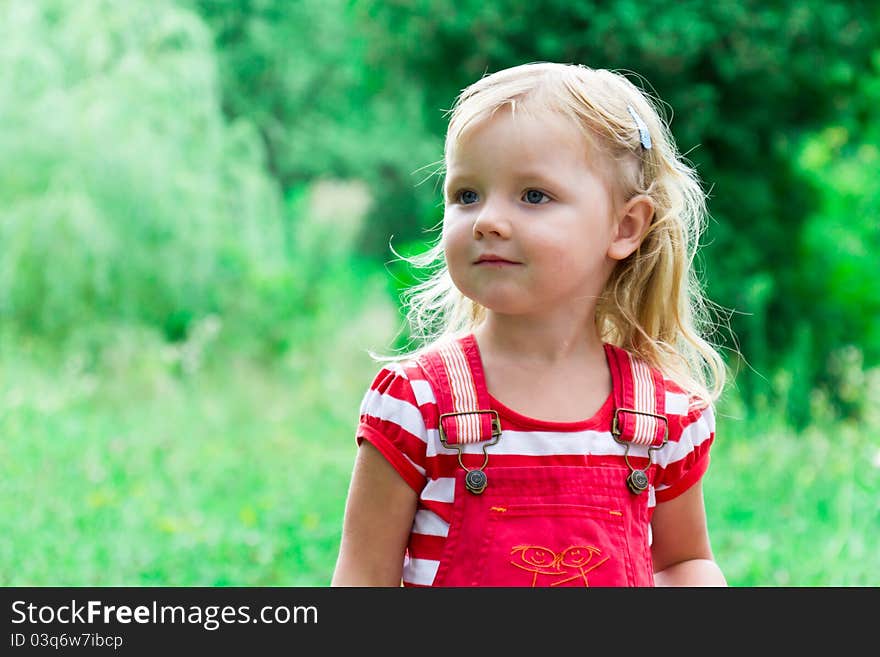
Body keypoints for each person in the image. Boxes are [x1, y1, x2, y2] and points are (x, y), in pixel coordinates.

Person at [331, 62, 728, 587]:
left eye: (533, 196)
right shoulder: (417, 404)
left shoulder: (663, 416)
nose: (488, 220)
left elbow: (683, 563)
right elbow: (363, 577)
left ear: (625, 226)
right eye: (466, 195)